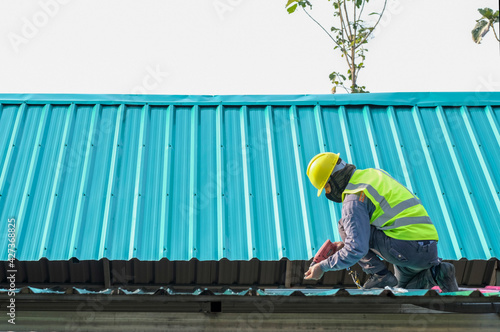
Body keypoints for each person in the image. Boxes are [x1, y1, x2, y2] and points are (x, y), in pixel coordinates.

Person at [303, 152, 459, 292]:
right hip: (428, 250)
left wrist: (322, 267)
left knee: (344, 225)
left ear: (333, 180)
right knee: (402, 291)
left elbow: (356, 248)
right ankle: (436, 273)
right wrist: (345, 244)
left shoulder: (354, 198)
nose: (328, 192)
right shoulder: (373, 174)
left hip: (406, 248)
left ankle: (379, 275)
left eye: (327, 187)